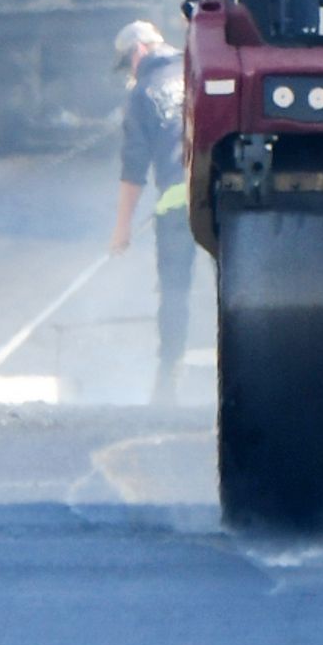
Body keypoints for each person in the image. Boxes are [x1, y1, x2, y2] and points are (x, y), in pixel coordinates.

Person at [106, 22, 194, 398]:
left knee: (175, 293)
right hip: (224, 197)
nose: (129, 72)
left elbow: (134, 171)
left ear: (138, 52)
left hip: (177, 205)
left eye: (128, 64)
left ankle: (167, 382)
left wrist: (121, 229)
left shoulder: (142, 94)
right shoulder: (196, 68)